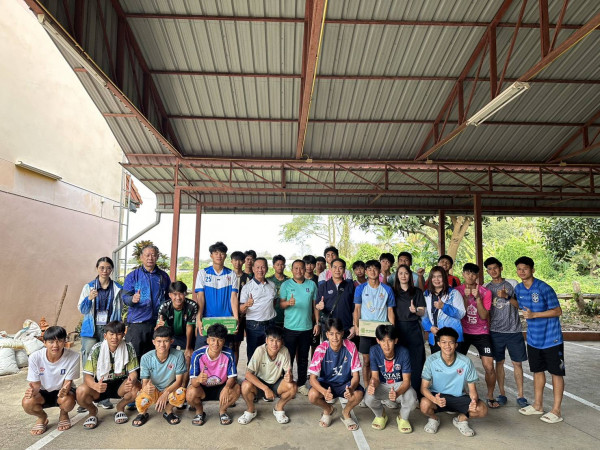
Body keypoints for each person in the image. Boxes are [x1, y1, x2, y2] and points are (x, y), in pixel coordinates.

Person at [514, 256, 565, 423]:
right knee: (537, 371)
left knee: (556, 372)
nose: (522, 271)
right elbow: (520, 304)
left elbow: (557, 311)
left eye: (525, 268)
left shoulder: (544, 288)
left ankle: (556, 411)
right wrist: (507, 298)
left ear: (532, 270)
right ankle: (538, 405)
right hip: (533, 339)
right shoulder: (519, 289)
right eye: (519, 269)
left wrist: (535, 314)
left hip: (551, 338)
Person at [420, 327, 488, 437]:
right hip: (438, 396)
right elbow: (423, 388)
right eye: (444, 342)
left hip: (459, 396)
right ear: (439, 344)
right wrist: (434, 399)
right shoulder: (431, 360)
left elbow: (472, 389)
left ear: (456, 345)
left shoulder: (466, 362)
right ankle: (434, 419)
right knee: (424, 404)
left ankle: (461, 420)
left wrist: (473, 401)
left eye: (451, 342)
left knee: (482, 409)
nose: (447, 346)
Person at [77, 256, 123, 411]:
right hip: (91, 328)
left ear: (112, 270)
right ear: (97, 269)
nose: (105, 271)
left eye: (108, 268)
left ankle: (104, 397)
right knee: (88, 361)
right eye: (102, 267)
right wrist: (89, 299)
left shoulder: (117, 288)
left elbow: (120, 309)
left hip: (109, 329)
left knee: (106, 360)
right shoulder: (88, 287)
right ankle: (85, 397)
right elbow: (82, 309)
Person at [77, 321, 141, 429]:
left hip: (120, 385)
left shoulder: (128, 348)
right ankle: (92, 412)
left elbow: (133, 372)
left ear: (123, 335)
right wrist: (94, 385)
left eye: (118, 334)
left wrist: (131, 381)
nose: (114, 338)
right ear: (105, 335)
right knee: (80, 391)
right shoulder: (97, 348)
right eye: (111, 334)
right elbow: (87, 375)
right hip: (100, 385)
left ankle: (120, 407)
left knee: (137, 386)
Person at [484, 257, 528, 407]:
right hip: (495, 331)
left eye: (495, 268)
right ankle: (502, 393)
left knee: (517, 363)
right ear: (487, 271)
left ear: (501, 268)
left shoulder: (512, 283)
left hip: (514, 330)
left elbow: (520, 305)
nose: (493, 271)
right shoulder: (486, 287)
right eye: (490, 269)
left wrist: (507, 297)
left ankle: (521, 395)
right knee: (499, 363)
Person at [308, 318, 364, 431]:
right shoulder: (320, 349)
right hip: (326, 384)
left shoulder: (351, 347)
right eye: (331, 334)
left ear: (342, 333)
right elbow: (312, 379)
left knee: (358, 394)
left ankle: (346, 412)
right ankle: (328, 409)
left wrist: (351, 388)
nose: (335, 337)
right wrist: (324, 392)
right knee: (312, 395)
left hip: (345, 384)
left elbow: (356, 376)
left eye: (338, 333)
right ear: (327, 335)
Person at [23, 326, 80, 435]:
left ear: (65, 341)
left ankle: (63, 414)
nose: (55, 345)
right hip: (42, 391)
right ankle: (42, 417)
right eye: (51, 342)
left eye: (59, 341)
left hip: (62, 390)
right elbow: (36, 384)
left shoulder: (74, 356)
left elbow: (68, 382)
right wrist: (33, 391)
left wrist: (65, 390)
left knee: (68, 402)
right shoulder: (35, 357)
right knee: (27, 402)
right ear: (44, 342)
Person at [455, 263, 497, 409]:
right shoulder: (457, 291)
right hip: (463, 332)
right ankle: (460, 392)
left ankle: (490, 396)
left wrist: (478, 298)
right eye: (467, 273)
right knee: (457, 364)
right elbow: (459, 314)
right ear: (463, 274)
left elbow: (484, 315)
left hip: (481, 333)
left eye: (473, 274)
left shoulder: (485, 292)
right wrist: (466, 299)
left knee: (489, 366)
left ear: (477, 276)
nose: (470, 276)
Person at [238, 326, 296, 425]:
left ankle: (278, 408)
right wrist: (265, 388)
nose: (274, 344)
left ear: (282, 342)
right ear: (266, 340)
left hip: (276, 382)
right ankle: (251, 410)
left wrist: (289, 376)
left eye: (278, 341)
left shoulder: (284, 351)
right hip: (260, 383)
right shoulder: (260, 351)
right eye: (271, 340)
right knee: (245, 386)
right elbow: (248, 374)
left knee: (293, 387)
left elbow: (288, 372)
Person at [365, 325, 417, 433]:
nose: (386, 345)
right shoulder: (374, 350)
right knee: (368, 398)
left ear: (396, 340)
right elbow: (375, 377)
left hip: (399, 384)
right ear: (378, 341)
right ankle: (381, 415)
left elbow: (407, 381)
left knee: (412, 397)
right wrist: (372, 385)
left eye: (390, 340)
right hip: (382, 384)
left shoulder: (403, 352)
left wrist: (397, 393)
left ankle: (403, 417)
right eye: (383, 341)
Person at [122, 245, 170, 359]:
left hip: (157, 323)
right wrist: (132, 299)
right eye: (147, 255)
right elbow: (124, 297)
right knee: (134, 356)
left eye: (153, 255)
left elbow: (168, 298)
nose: (150, 258)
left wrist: (164, 316)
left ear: (157, 257)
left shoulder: (163, 276)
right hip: (137, 323)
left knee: (155, 356)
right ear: (141, 257)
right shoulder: (133, 276)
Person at [187, 324, 241, 426]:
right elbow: (193, 382)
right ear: (207, 340)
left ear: (223, 341)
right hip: (203, 388)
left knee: (237, 388)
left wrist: (227, 388)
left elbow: (232, 377)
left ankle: (223, 411)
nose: (216, 344)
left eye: (219, 340)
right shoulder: (197, 354)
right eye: (212, 340)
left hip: (221, 387)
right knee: (190, 393)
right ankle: (199, 412)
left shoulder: (229, 354)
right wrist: (198, 379)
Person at [353, 259, 395, 388]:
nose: (372, 271)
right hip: (366, 330)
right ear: (366, 271)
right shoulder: (360, 289)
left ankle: (381, 387)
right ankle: (367, 388)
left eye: (375, 269)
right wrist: (356, 326)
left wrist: (392, 330)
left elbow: (390, 310)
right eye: (369, 269)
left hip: (382, 331)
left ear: (379, 271)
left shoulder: (387, 289)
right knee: (366, 361)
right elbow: (357, 309)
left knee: (382, 360)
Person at [133, 326, 187, 427]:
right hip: (154, 389)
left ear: (171, 341)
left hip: (169, 389)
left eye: (166, 341)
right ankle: (142, 413)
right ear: (153, 342)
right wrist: (146, 388)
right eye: (159, 341)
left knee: (181, 393)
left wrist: (165, 393)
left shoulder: (179, 355)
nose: (162, 345)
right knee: (141, 399)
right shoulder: (146, 358)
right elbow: (145, 382)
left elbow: (179, 381)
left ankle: (168, 410)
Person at [280, 259, 318, 396]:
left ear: (305, 269)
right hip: (290, 327)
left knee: (303, 358)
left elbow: (315, 306)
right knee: (288, 357)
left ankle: (301, 384)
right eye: (296, 268)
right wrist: (288, 303)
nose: (299, 271)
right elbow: (280, 304)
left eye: (301, 268)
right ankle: (288, 383)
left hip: (306, 328)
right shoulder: (286, 284)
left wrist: (317, 323)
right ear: (292, 270)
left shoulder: (312, 284)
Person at [194, 241, 239, 349]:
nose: (219, 255)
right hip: (207, 319)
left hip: (226, 320)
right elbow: (200, 298)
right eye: (216, 253)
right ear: (211, 255)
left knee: (225, 352)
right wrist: (198, 318)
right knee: (201, 351)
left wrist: (236, 318)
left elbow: (233, 297)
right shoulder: (203, 273)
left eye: (222, 253)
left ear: (225, 256)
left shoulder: (232, 274)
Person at [392, 264, 426, 397]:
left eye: (406, 273)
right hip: (397, 329)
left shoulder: (417, 292)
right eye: (400, 273)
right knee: (398, 361)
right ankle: (399, 393)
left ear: (410, 276)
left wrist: (415, 310)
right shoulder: (393, 292)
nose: (403, 276)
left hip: (413, 329)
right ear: (397, 276)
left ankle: (417, 393)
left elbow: (422, 311)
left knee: (417, 361)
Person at [157, 281, 198, 388]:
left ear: (185, 294)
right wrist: (159, 326)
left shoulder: (192, 305)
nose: (178, 297)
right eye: (175, 294)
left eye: (181, 294)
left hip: (186, 336)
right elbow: (159, 330)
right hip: (171, 335)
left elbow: (190, 327)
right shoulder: (164, 306)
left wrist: (188, 348)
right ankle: (166, 387)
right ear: (170, 295)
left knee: (187, 359)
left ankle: (182, 390)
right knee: (166, 358)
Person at [240, 257, 277, 361]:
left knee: (270, 355)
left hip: (271, 324)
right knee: (253, 356)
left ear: (267, 269)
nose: (260, 270)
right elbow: (241, 309)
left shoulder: (272, 285)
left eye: (263, 267)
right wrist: (247, 304)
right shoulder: (247, 287)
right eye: (257, 267)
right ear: (253, 269)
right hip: (254, 326)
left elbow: (273, 302)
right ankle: (251, 372)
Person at [422, 266, 465, 353]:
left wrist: (444, 307)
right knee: (437, 361)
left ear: (444, 278)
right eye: (434, 277)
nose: (436, 279)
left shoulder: (454, 293)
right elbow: (423, 315)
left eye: (439, 276)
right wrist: (430, 328)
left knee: (454, 361)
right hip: (435, 337)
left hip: (452, 337)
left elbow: (461, 313)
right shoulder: (426, 295)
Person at [316, 258, 356, 341]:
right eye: (334, 267)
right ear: (330, 269)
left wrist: (354, 326)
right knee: (328, 349)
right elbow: (317, 304)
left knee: (346, 349)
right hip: (328, 328)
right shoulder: (323, 286)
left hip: (346, 327)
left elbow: (355, 308)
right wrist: (319, 306)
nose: (337, 270)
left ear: (344, 270)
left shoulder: (350, 286)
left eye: (340, 268)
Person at [231, 251, 251, 364]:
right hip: (229, 314)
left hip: (243, 315)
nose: (237, 263)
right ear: (231, 261)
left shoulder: (248, 278)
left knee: (236, 344)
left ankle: (234, 370)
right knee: (227, 343)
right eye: (235, 260)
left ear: (243, 262)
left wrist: (242, 312)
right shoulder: (227, 276)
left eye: (240, 260)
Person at [268, 254, 289, 329]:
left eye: (282, 264)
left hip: (286, 316)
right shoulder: (268, 280)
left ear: (284, 266)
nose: (280, 266)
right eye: (278, 264)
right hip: (271, 316)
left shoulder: (289, 281)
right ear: (273, 266)